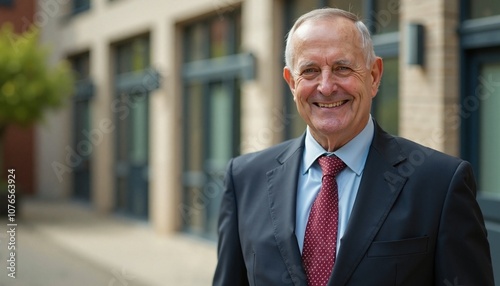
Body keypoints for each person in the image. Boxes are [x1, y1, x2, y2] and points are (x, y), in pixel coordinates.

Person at [213, 7, 495, 286]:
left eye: (342, 68)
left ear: (374, 76)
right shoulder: (244, 180)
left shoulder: (440, 184)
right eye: (310, 71)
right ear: (291, 82)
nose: (326, 86)